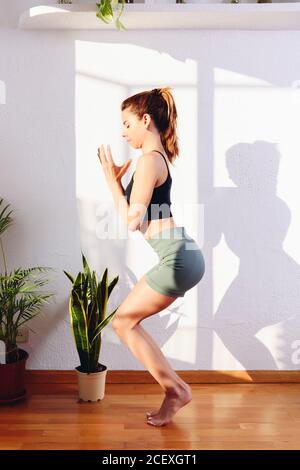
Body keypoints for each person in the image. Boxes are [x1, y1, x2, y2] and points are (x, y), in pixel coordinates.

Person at [97, 87, 205, 426]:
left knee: (124, 322)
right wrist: (117, 183)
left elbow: (132, 221)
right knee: (126, 322)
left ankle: (176, 391)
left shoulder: (148, 161)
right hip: (180, 255)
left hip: (178, 258)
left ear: (146, 120)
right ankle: (175, 390)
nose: (123, 131)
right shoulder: (156, 159)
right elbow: (139, 216)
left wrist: (111, 181)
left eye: (128, 123)